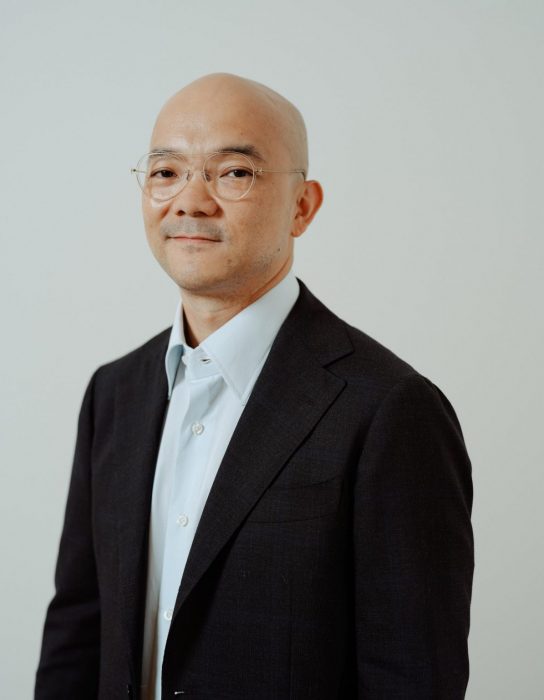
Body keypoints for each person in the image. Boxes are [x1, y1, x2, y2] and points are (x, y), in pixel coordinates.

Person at [35, 73, 474, 700]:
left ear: (302, 206)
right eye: (165, 173)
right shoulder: (114, 394)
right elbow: (77, 630)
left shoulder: (388, 408)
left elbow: (413, 676)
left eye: (234, 173)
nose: (190, 200)